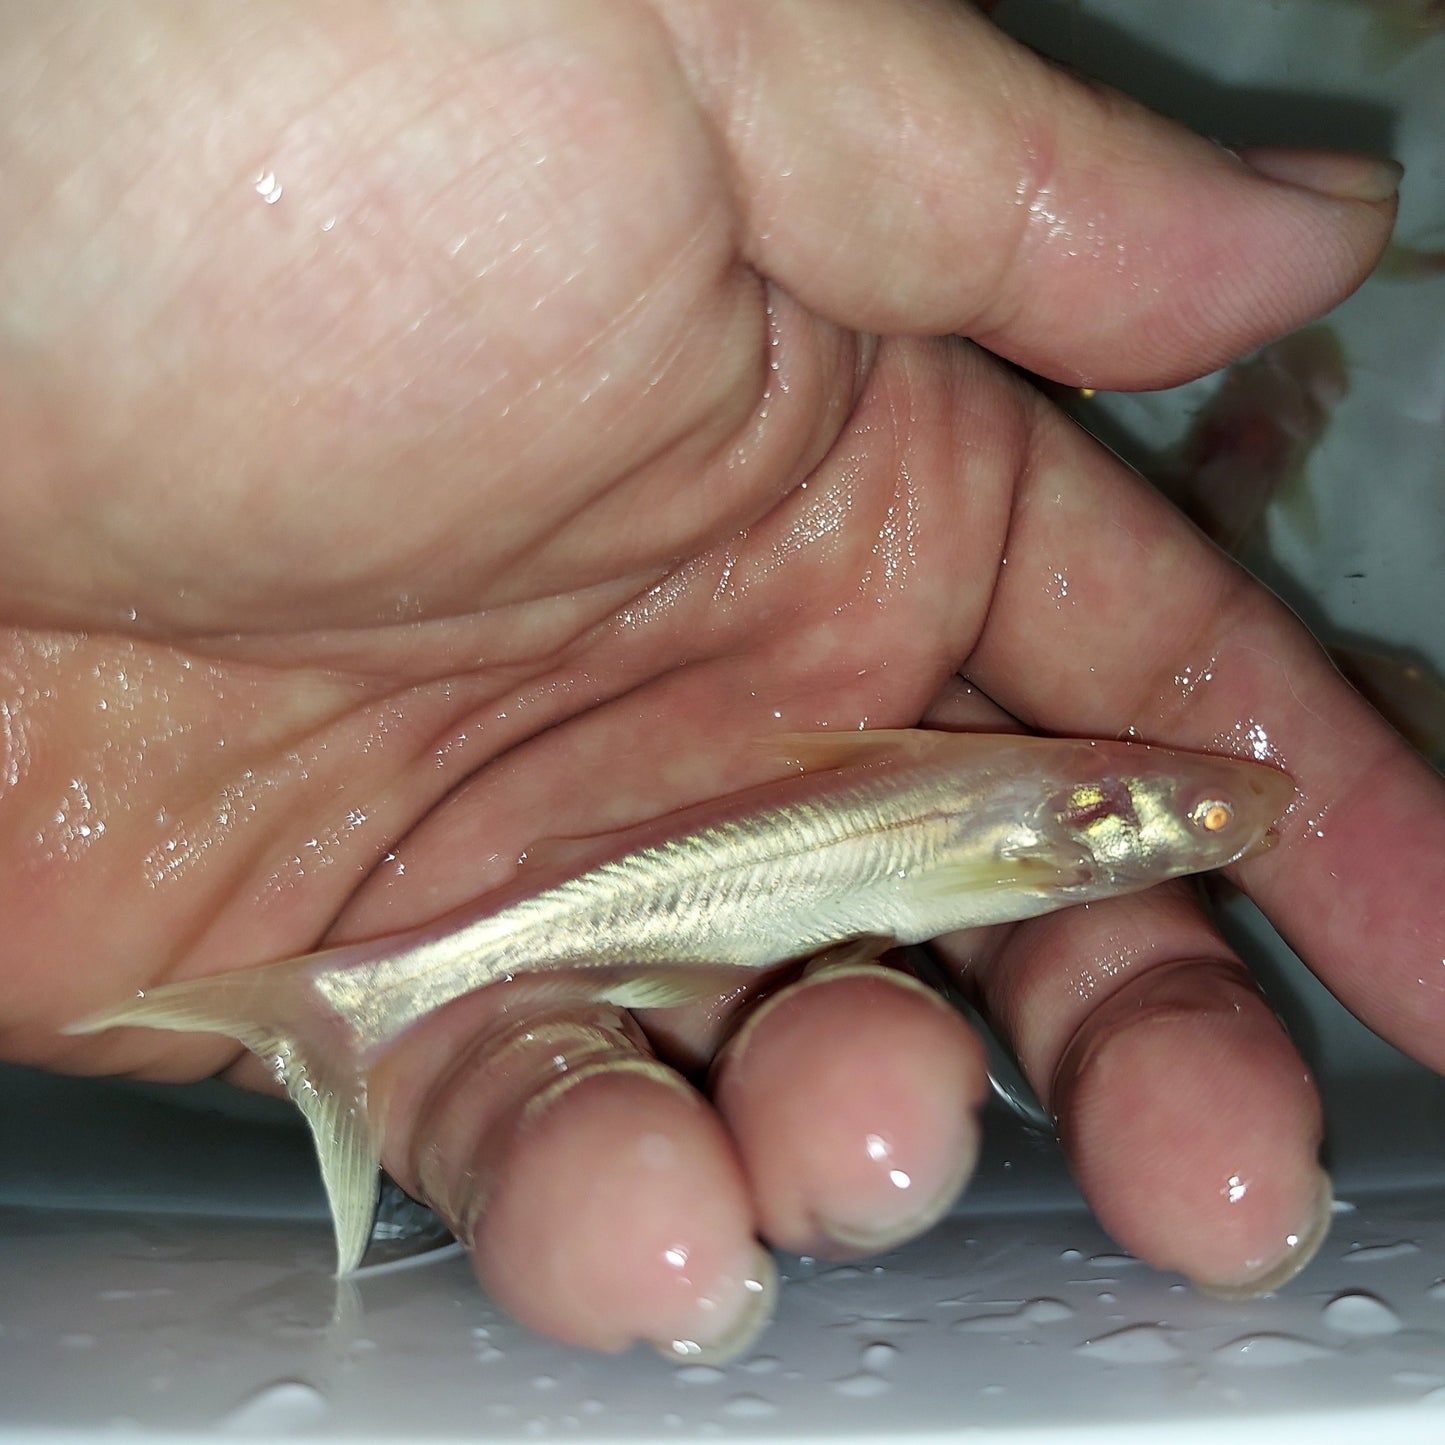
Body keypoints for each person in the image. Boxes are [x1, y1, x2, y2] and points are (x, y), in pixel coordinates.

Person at [2, 2, 1439, 1363]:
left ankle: (346, 1004)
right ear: (1093, 820)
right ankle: (345, 1005)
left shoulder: (1046, 813)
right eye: (1177, 822)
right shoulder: (1043, 818)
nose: (1203, 827)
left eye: (1185, 825)